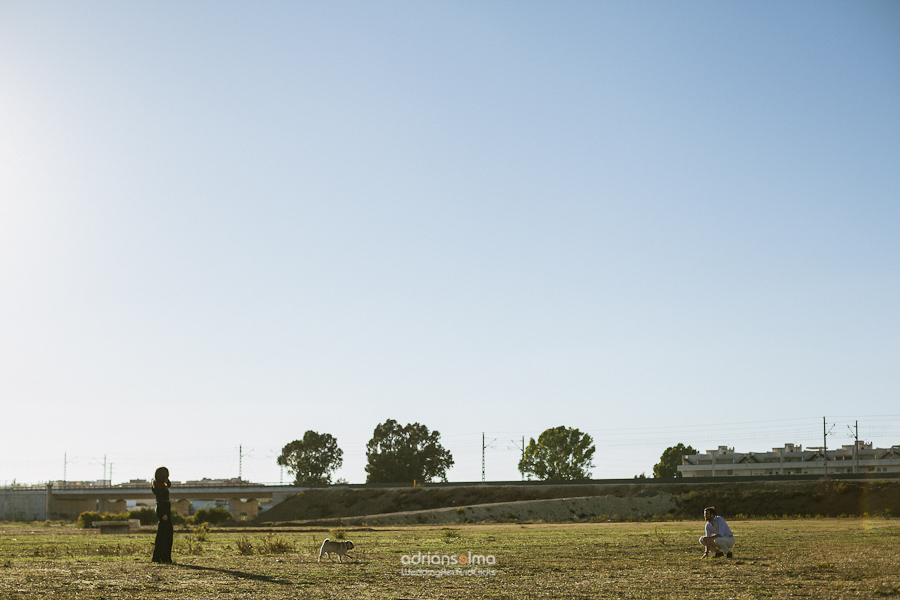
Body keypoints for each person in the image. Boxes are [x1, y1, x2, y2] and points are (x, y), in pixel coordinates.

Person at [151, 466, 174, 564]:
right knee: (165, 534)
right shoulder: (158, 487)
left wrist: (167, 479)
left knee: (164, 533)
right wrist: (163, 513)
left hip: (165, 509)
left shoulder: (161, 485)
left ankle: (162, 557)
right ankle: (162, 557)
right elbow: (159, 501)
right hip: (163, 510)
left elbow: (169, 484)